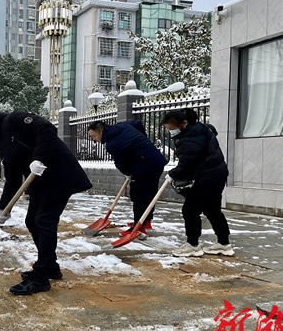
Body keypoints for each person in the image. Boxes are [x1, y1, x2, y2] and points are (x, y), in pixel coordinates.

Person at [0, 111, 92, 296]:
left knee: (44, 221)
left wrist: (39, 158)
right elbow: (12, 179)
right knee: (31, 221)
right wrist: (3, 207)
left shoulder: (14, 120)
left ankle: (41, 277)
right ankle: (50, 266)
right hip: (41, 183)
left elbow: (46, 129)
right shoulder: (1, 146)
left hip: (60, 175)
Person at [161, 108, 233, 257]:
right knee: (212, 210)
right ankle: (224, 243)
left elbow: (187, 162)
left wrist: (173, 174)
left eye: (172, 129)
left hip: (206, 178)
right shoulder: (201, 130)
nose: (171, 132)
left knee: (190, 210)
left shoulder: (190, 138)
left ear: (184, 123)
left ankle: (192, 245)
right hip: (217, 175)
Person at [88, 120, 167, 238]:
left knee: (138, 196)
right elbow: (138, 124)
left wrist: (128, 173)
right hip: (155, 161)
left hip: (144, 165)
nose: (94, 139)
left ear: (101, 131)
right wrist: (141, 141)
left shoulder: (112, 144)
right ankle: (146, 221)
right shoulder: (122, 126)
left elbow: (121, 164)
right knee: (149, 194)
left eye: (94, 136)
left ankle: (139, 227)